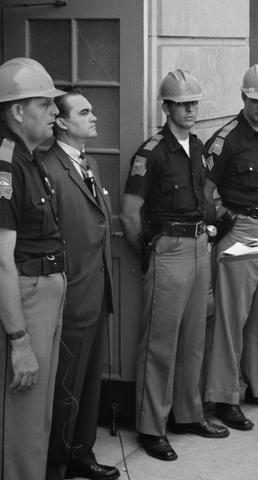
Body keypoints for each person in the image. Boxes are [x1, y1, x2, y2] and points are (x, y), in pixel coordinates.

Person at [120, 70, 229, 462]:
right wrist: (153, 254)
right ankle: (152, 426)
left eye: (194, 103)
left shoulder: (198, 147)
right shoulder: (151, 152)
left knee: (194, 338)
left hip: (201, 246)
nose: (190, 110)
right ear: (166, 107)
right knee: (159, 344)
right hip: (168, 249)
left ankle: (188, 414)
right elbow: (130, 215)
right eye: (182, 104)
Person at [203, 63, 258, 430]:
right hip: (241, 230)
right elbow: (203, 190)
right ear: (243, 97)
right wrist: (222, 220)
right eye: (257, 99)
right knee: (231, 318)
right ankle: (224, 396)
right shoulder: (227, 138)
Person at [43, 89, 119, 480]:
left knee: (89, 383)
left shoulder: (88, 163)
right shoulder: (48, 168)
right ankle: (57, 462)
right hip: (70, 294)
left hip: (96, 291)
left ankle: (80, 454)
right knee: (64, 385)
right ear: (60, 121)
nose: (93, 117)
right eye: (84, 112)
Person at [0, 58, 67, 479]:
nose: (56, 112)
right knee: (23, 416)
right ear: (18, 111)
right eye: (46, 104)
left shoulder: (31, 157)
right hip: (26, 294)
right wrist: (19, 339)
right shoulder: (7, 163)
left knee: (41, 409)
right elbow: (0, 260)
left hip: (47, 291)